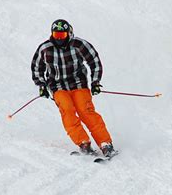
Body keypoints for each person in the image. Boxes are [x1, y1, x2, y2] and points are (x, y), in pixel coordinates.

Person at [30, 19, 116, 157]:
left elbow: (94, 61)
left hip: (78, 84)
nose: (59, 39)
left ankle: (105, 143)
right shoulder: (45, 48)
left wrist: (95, 82)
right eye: (56, 35)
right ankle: (83, 143)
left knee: (85, 111)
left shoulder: (79, 45)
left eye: (62, 36)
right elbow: (36, 68)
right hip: (58, 87)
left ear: (69, 33)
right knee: (67, 110)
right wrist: (42, 85)